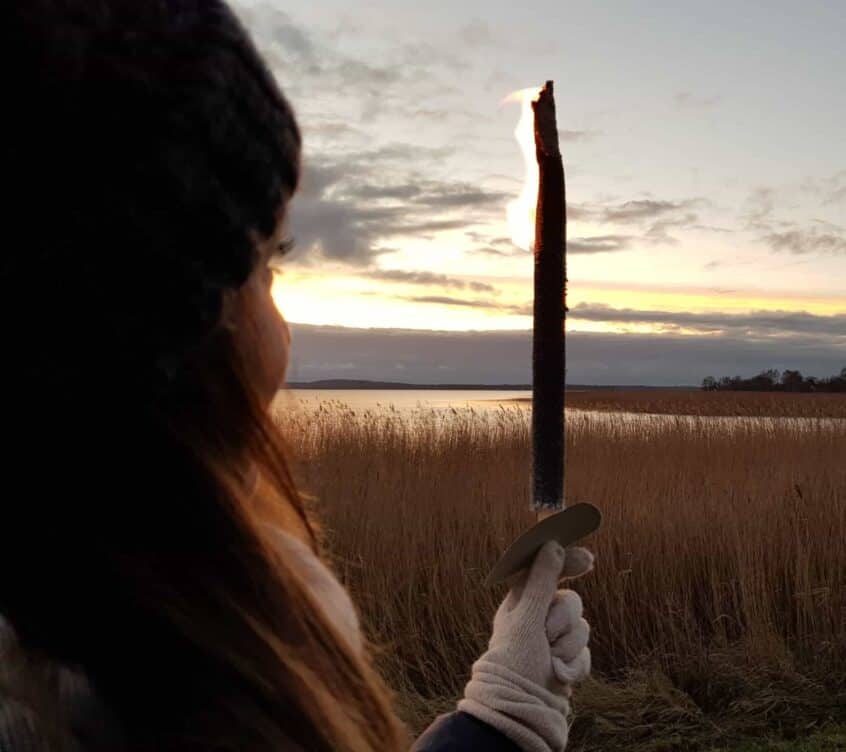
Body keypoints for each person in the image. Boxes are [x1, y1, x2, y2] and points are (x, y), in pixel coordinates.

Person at [0, 1, 594, 750]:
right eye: (268, 266)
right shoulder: (136, 698)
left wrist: (499, 717)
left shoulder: (72, 646)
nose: (283, 337)